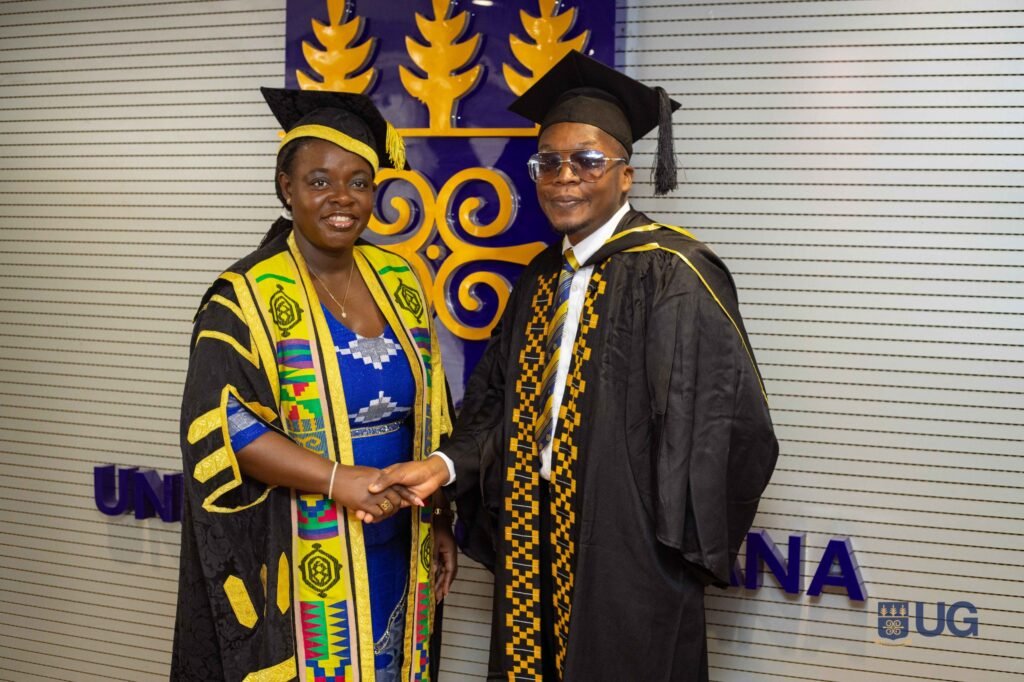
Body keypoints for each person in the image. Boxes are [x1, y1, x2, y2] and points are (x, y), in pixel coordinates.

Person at [370, 51, 779, 681]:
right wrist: (445, 465)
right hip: (532, 532)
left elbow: (729, 424)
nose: (565, 176)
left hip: (630, 548)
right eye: (549, 162)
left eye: (587, 160)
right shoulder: (538, 280)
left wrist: (665, 539)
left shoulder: (676, 273)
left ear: (625, 176)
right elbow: (496, 405)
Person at [172, 87, 457, 681]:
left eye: (359, 181)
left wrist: (444, 524)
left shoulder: (401, 279)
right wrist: (338, 480)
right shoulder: (245, 295)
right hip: (300, 551)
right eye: (319, 181)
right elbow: (224, 425)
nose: (342, 199)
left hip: (402, 548)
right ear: (287, 188)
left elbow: (433, 408)